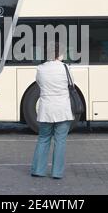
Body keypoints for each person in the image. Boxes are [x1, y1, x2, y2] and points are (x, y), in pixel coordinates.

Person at [31, 42, 74, 179]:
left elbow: (38, 83)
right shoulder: (65, 68)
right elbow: (71, 83)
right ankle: (57, 172)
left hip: (46, 109)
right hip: (63, 109)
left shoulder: (40, 68)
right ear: (60, 53)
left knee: (43, 139)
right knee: (60, 141)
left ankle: (38, 170)